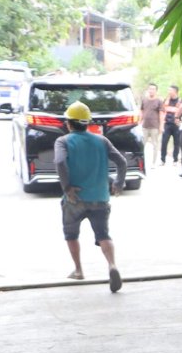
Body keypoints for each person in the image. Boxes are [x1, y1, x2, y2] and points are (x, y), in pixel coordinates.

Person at [56, 101, 127, 292]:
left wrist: (67, 187)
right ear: (87, 123)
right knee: (103, 234)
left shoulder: (63, 141)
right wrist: (119, 183)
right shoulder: (101, 141)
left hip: (74, 199)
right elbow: (121, 161)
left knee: (71, 234)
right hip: (100, 197)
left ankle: (79, 270)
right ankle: (112, 265)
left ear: (69, 123)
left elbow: (60, 162)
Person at [139, 83, 162, 167]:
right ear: (148, 90)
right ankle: (141, 162)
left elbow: (161, 114)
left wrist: (161, 126)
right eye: (150, 89)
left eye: (153, 89)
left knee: (155, 144)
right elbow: (141, 111)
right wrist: (139, 122)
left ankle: (153, 162)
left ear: (156, 91)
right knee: (142, 144)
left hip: (154, 126)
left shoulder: (159, 101)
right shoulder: (144, 99)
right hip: (145, 126)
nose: (151, 90)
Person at [160, 85, 181, 166]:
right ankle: (162, 160)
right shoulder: (166, 101)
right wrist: (161, 125)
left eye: (170, 90)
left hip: (176, 126)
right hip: (167, 125)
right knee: (164, 142)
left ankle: (175, 160)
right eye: (168, 90)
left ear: (175, 91)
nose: (169, 92)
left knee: (177, 143)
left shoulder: (181, 101)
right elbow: (162, 113)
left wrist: (180, 122)